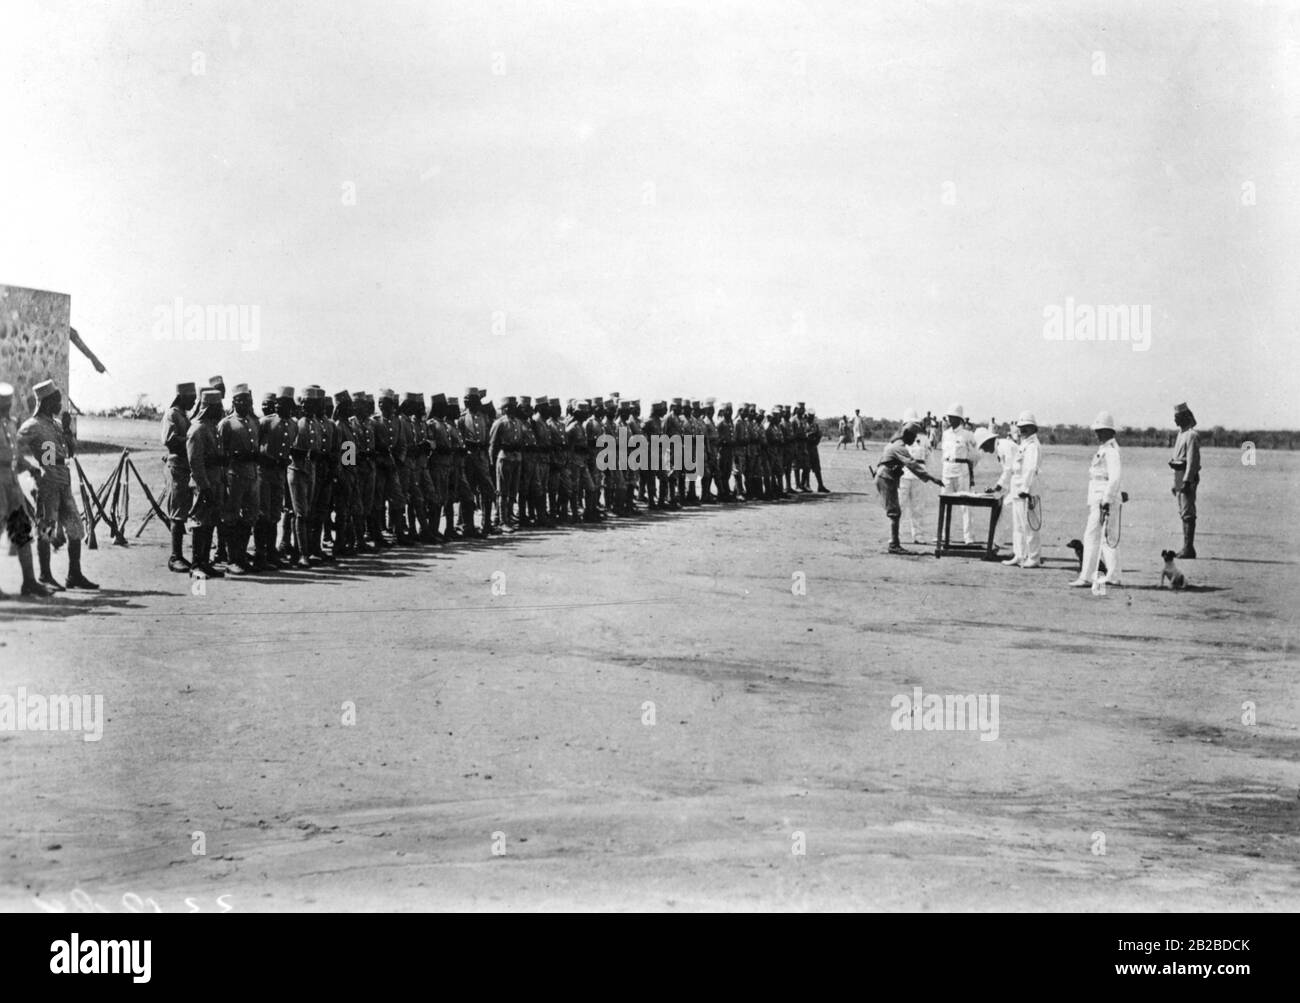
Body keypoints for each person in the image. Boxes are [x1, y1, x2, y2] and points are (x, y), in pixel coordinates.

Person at [18, 380, 98, 590]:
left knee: (75, 527)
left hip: (63, 479)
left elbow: (71, 451)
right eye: (56, 400)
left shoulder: (56, 425)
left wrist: (68, 430)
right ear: (45, 402)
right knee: (47, 527)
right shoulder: (32, 426)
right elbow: (13, 448)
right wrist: (30, 468)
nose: (60, 404)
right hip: (47, 481)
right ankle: (45, 575)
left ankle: (74, 574)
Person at [0, 381, 49, 597]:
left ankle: (29, 582)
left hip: (11, 482)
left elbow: (16, 457)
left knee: (22, 531)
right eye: (4, 405)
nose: (7, 408)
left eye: (8, 405)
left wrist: (31, 468)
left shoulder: (10, 425)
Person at [1069, 411, 1123, 587]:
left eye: (1101, 430)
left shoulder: (1111, 451)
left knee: (1094, 537)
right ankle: (1113, 576)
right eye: (1097, 430)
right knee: (1106, 538)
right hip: (1101, 499)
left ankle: (1087, 576)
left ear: (1110, 432)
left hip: (1104, 500)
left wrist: (1107, 499)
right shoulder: (1105, 449)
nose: (1097, 434)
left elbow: (1114, 477)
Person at [875, 422, 944, 554]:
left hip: (885, 476)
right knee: (895, 512)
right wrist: (931, 478)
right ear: (906, 435)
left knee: (895, 512)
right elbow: (912, 464)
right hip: (886, 477)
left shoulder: (894, 444)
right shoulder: (900, 447)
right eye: (912, 437)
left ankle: (894, 543)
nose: (913, 440)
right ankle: (894, 545)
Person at [186, 387, 226, 578]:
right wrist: (204, 487)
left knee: (210, 522)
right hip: (203, 484)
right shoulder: (197, 429)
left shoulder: (212, 427)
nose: (221, 410)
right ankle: (196, 566)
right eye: (218, 406)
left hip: (215, 481)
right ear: (209, 408)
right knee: (200, 522)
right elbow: (195, 462)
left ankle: (205, 562)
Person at [161, 381, 197, 572]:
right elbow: (170, 441)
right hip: (177, 468)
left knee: (182, 511)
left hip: (185, 468)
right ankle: (175, 556)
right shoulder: (172, 414)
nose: (194, 401)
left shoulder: (183, 415)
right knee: (177, 513)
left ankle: (180, 555)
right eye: (191, 398)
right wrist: (192, 442)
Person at [1000, 411, 1042, 568]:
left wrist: (1026, 489)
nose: (1022, 430)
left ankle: (1034, 557)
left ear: (1033, 428)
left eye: (1026, 427)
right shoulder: (1023, 444)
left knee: (1029, 525)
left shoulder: (1032, 446)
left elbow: (1030, 469)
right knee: (1018, 525)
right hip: (1017, 487)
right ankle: (1019, 555)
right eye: (1021, 427)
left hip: (1027, 489)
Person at [940, 403, 977, 545]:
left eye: (953, 417)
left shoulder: (967, 435)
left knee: (965, 505)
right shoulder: (945, 434)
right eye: (949, 417)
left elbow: (974, 455)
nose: (950, 419)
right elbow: (944, 454)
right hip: (947, 470)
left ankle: (968, 537)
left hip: (962, 470)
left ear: (959, 419)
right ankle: (943, 535)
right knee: (944, 503)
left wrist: (969, 469)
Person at [1170, 401, 1200, 558]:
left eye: (1177, 417)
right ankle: (1186, 546)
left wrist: (1187, 481)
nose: (1174, 420)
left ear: (1184, 417)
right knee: (1183, 512)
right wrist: (1175, 483)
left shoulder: (1191, 435)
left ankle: (1189, 548)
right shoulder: (1181, 435)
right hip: (1179, 475)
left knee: (1188, 513)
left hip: (1187, 477)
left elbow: (1192, 460)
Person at [899, 407, 931, 543]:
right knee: (900, 506)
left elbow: (929, 459)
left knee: (918, 508)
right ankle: (895, 535)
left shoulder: (924, 439)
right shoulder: (899, 439)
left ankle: (918, 535)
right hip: (903, 476)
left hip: (918, 477)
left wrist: (924, 474)